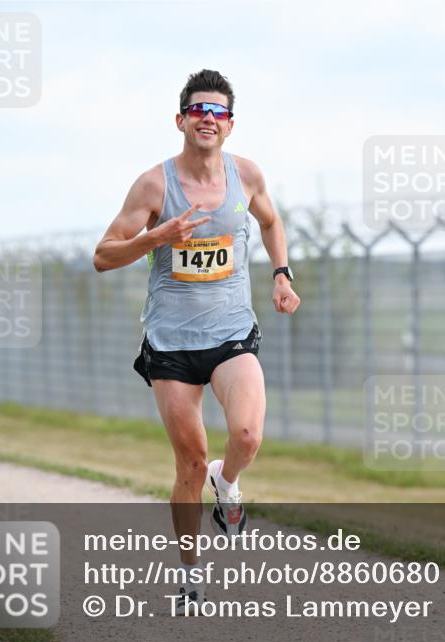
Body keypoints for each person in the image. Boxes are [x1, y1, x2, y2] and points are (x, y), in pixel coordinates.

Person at [92, 69, 300, 611]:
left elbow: (272, 222)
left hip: (232, 332)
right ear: (180, 119)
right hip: (171, 344)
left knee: (248, 435)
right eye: (198, 110)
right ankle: (190, 575)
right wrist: (158, 235)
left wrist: (282, 274)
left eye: (219, 112)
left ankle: (227, 485)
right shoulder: (154, 185)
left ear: (230, 126)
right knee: (188, 463)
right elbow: (102, 256)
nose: (208, 118)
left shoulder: (247, 176)